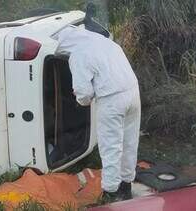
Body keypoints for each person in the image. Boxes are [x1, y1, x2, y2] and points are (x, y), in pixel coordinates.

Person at [54, 25, 141, 202]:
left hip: (111, 100)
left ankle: (110, 193)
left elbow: (83, 93)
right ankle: (126, 187)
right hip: (133, 93)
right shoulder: (107, 43)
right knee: (129, 142)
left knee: (111, 147)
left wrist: (80, 99)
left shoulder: (78, 54)